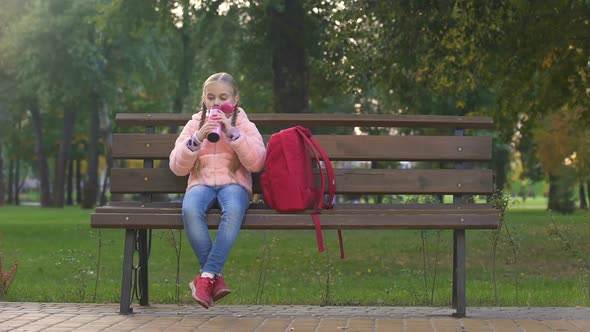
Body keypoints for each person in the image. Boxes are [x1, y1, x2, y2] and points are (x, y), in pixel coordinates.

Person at [169, 72, 266, 309]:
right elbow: (176, 167)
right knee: (190, 210)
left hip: (233, 183)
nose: (216, 103)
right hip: (201, 183)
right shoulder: (194, 123)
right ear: (203, 98)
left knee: (233, 210)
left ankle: (205, 277)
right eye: (210, 97)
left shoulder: (243, 123)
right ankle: (213, 278)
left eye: (223, 97)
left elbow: (257, 162)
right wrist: (196, 139)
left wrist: (232, 133)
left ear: (235, 99)